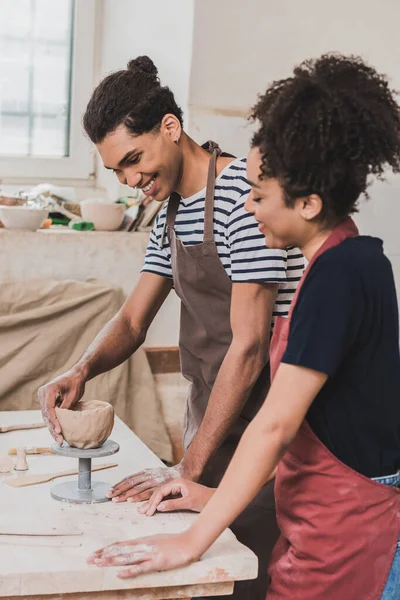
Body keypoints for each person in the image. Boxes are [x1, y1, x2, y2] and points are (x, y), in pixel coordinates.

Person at [87, 54, 400, 600]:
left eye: (257, 195)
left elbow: (275, 426)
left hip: (348, 526)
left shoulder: (340, 276)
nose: (247, 210)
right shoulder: (350, 261)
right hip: (314, 508)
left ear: (307, 202)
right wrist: (206, 496)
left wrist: (190, 539)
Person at [38, 56, 304, 600]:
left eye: (133, 160)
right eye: (116, 170)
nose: (130, 179)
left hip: (270, 420)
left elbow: (251, 349)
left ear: (170, 127)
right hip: (212, 412)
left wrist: (186, 466)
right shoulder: (171, 213)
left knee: (246, 572)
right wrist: (81, 369)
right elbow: (134, 319)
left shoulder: (241, 199)